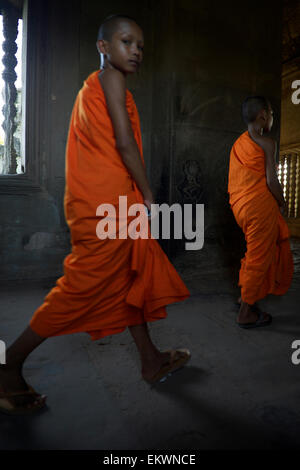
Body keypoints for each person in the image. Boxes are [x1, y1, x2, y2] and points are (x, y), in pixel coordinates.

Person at [0, 14, 191, 415]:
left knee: (129, 275)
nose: (136, 50)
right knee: (80, 288)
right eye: (126, 42)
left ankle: (151, 360)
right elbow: (123, 144)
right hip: (110, 205)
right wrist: (149, 192)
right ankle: (7, 365)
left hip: (107, 202)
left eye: (140, 45)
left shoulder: (96, 85)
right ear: (104, 47)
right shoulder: (111, 80)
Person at [228, 96, 294, 328]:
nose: (272, 118)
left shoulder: (238, 143)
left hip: (241, 207)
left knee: (252, 252)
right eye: (273, 114)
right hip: (260, 208)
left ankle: (244, 295)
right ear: (264, 116)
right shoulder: (267, 143)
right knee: (259, 257)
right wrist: (283, 201)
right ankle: (246, 312)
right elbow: (271, 181)